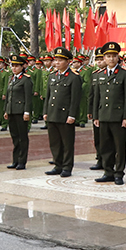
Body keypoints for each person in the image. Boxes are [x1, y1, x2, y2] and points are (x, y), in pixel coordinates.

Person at [92, 42, 126, 185]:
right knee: (105, 146)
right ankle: (108, 171)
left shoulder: (125, 74)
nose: (111, 59)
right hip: (103, 115)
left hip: (118, 117)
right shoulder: (99, 75)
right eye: (108, 56)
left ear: (118, 57)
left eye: (113, 56)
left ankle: (119, 173)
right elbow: (97, 97)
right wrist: (96, 116)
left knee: (119, 147)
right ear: (104, 58)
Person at [44, 47, 82, 177]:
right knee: (54, 142)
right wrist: (45, 111)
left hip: (65, 115)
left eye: (61, 60)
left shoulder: (73, 77)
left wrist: (72, 115)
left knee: (67, 143)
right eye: (56, 60)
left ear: (68, 62)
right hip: (52, 113)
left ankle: (67, 167)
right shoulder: (52, 76)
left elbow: (75, 99)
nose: (57, 62)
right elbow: (48, 96)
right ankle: (57, 165)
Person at [3, 54, 33, 170]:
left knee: (22, 137)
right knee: (15, 137)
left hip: (21, 112)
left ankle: (22, 161)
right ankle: (15, 160)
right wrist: (6, 110)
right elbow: (8, 95)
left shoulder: (26, 79)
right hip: (12, 111)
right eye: (12, 65)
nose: (14, 68)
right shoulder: (11, 78)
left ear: (22, 66)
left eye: (17, 66)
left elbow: (28, 98)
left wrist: (27, 112)